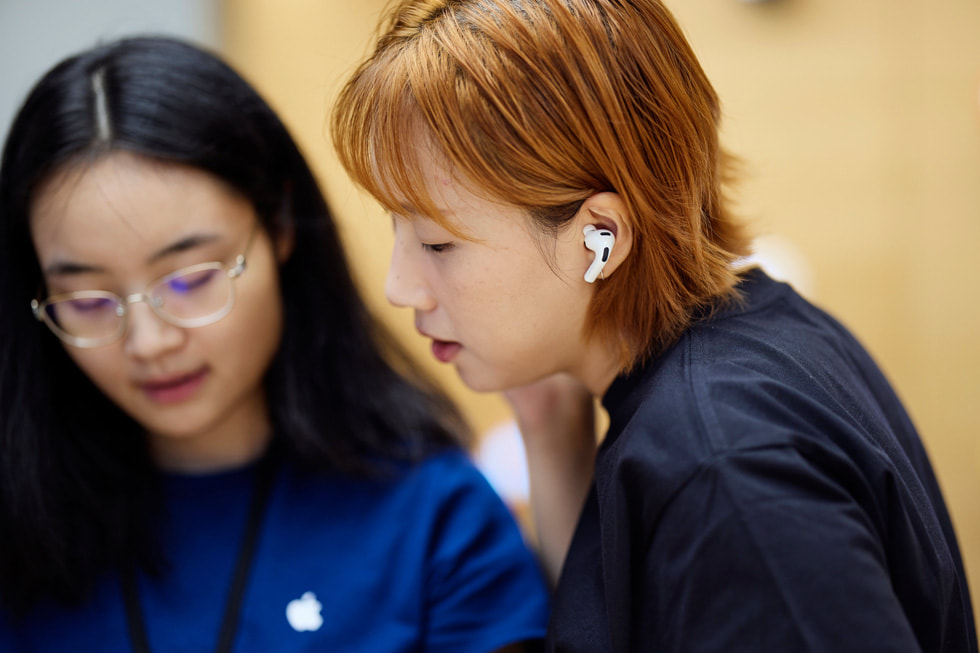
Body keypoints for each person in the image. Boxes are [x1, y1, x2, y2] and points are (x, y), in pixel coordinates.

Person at [330, 0, 978, 650]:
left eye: (439, 245)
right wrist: (549, 431)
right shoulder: (753, 330)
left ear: (600, 239)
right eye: (398, 230)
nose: (399, 287)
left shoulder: (726, 468)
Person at [0, 35, 550, 652]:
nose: (149, 342)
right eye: (89, 302)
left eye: (191, 281)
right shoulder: (20, 535)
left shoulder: (432, 519)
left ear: (281, 227)